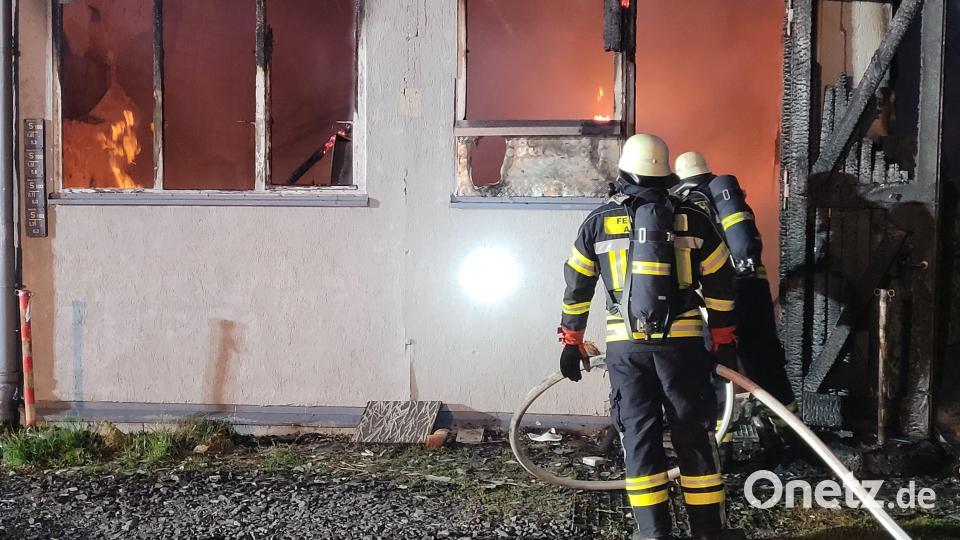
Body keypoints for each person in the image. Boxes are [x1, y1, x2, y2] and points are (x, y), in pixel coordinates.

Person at [558, 134, 743, 540]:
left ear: (623, 171)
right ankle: (708, 532)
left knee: (639, 438)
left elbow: (577, 288)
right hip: (683, 347)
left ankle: (653, 533)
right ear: (667, 174)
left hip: (627, 350)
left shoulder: (599, 222)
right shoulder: (694, 219)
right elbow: (721, 284)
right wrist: (725, 340)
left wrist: (571, 342)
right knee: (693, 435)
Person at [672, 151, 796, 409]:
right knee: (764, 361)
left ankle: (720, 438)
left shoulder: (684, 205)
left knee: (715, 364)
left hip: (715, 296)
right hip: (753, 288)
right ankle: (788, 431)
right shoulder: (726, 194)